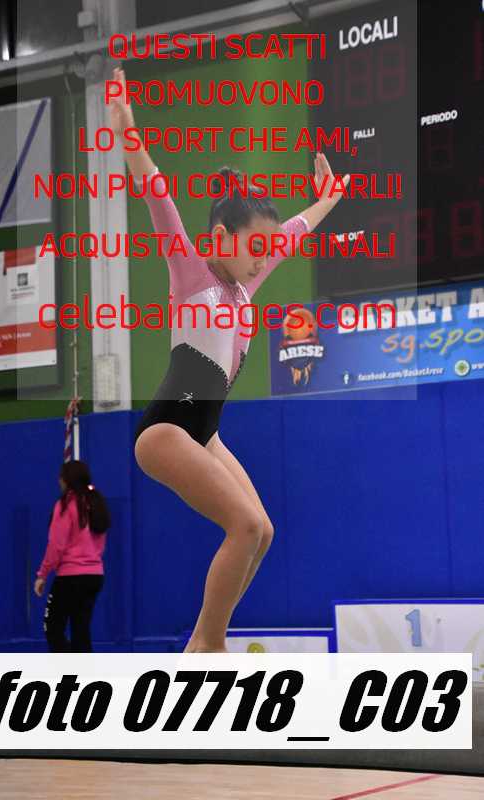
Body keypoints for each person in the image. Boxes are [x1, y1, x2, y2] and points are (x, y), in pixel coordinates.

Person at [109, 66, 349, 653]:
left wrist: (327, 200)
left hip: (205, 433)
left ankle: (202, 642)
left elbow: (292, 233)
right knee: (241, 526)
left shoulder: (244, 287)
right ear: (219, 238)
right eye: (254, 247)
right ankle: (209, 646)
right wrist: (127, 132)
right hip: (168, 429)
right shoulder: (193, 275)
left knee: (260, 530)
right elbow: (157, 194)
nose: (263, 257)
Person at [34, 460, 111, 652]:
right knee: (81, 629)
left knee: (53, 627)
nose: (58, 480)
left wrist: (43, 574)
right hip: (94, 577)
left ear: (67, 479)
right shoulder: (96, 503)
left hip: (70, 577)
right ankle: (82, 669)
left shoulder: (66, 504)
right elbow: (100, 543)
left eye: (61, 476)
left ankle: (67, 668)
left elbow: (56, 544)